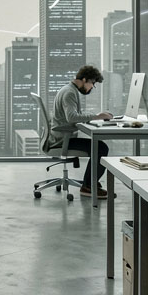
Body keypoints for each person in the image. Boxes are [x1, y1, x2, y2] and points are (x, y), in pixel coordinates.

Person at [50, 65, 113, 199]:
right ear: (85, 79)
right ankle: (88, 187)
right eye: (92, 84)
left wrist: (95, 116)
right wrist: (97, 117)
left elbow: (74, 114)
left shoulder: (69, 89)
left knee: (98, 147)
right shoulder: (69, 93)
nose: (91, 88)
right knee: (101, 148)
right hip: (63, 140)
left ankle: (89, 183)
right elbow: (71, 117)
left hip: (61, 136)